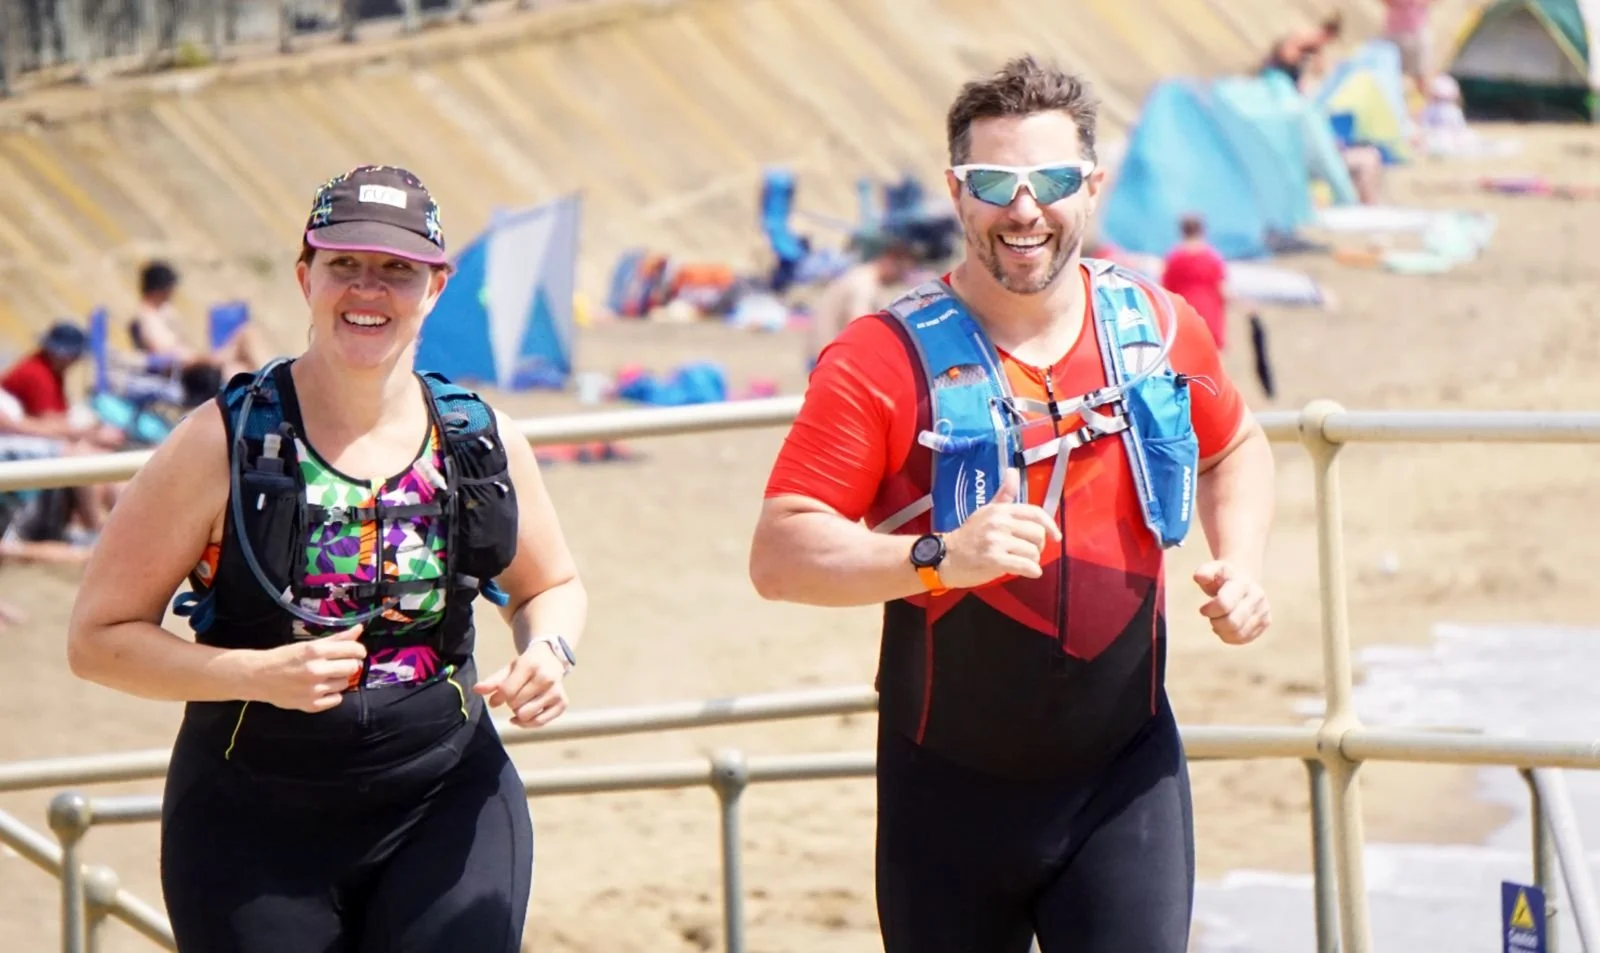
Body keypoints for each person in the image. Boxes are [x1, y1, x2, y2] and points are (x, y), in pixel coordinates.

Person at [748, 56, 1275, 953]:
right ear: (958, 194)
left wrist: (1243, 565)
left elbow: (1236, 447)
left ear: (1094, 187)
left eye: (1053, 181)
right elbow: (781, 554)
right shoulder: (878, 360)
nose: (1024, 210)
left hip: (1126, 778)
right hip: (945, 798)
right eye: (996, 183)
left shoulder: (1156, 330)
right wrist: (936, 557)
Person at [66, 164, 589, 953]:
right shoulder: (224, 442)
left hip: (445, 797)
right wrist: (253, 675)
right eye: (346, 264)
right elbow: (97, 637)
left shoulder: (479, 437)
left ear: (437, 287)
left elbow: (550, 584)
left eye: (397, 271)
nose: (369, 290)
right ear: (306, 276)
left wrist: (548, 648)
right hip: (252, 821)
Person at [129, 259, 270, 382]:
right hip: (189, 371)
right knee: (246, 335)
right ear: (159, 289)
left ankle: (270, 378)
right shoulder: (147, 319)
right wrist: (204, 359)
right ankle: (272, 377)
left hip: (194, 367)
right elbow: (166, 357)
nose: (172, 292)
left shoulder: (161, 314)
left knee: (245, 364)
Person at [804, 234, 917, 369]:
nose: (902, 275)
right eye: (902, 268)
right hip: (833, 363)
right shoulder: (863, 285)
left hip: (831, 358)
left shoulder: (862, 278)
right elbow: (861, 331)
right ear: (889, 260)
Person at [1161, 213, 1229, 351]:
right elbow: (1223, 290)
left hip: (1184, 315)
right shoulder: (1212, 257)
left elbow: (1165, 289)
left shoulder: (1174, 257)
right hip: (1209, 315)